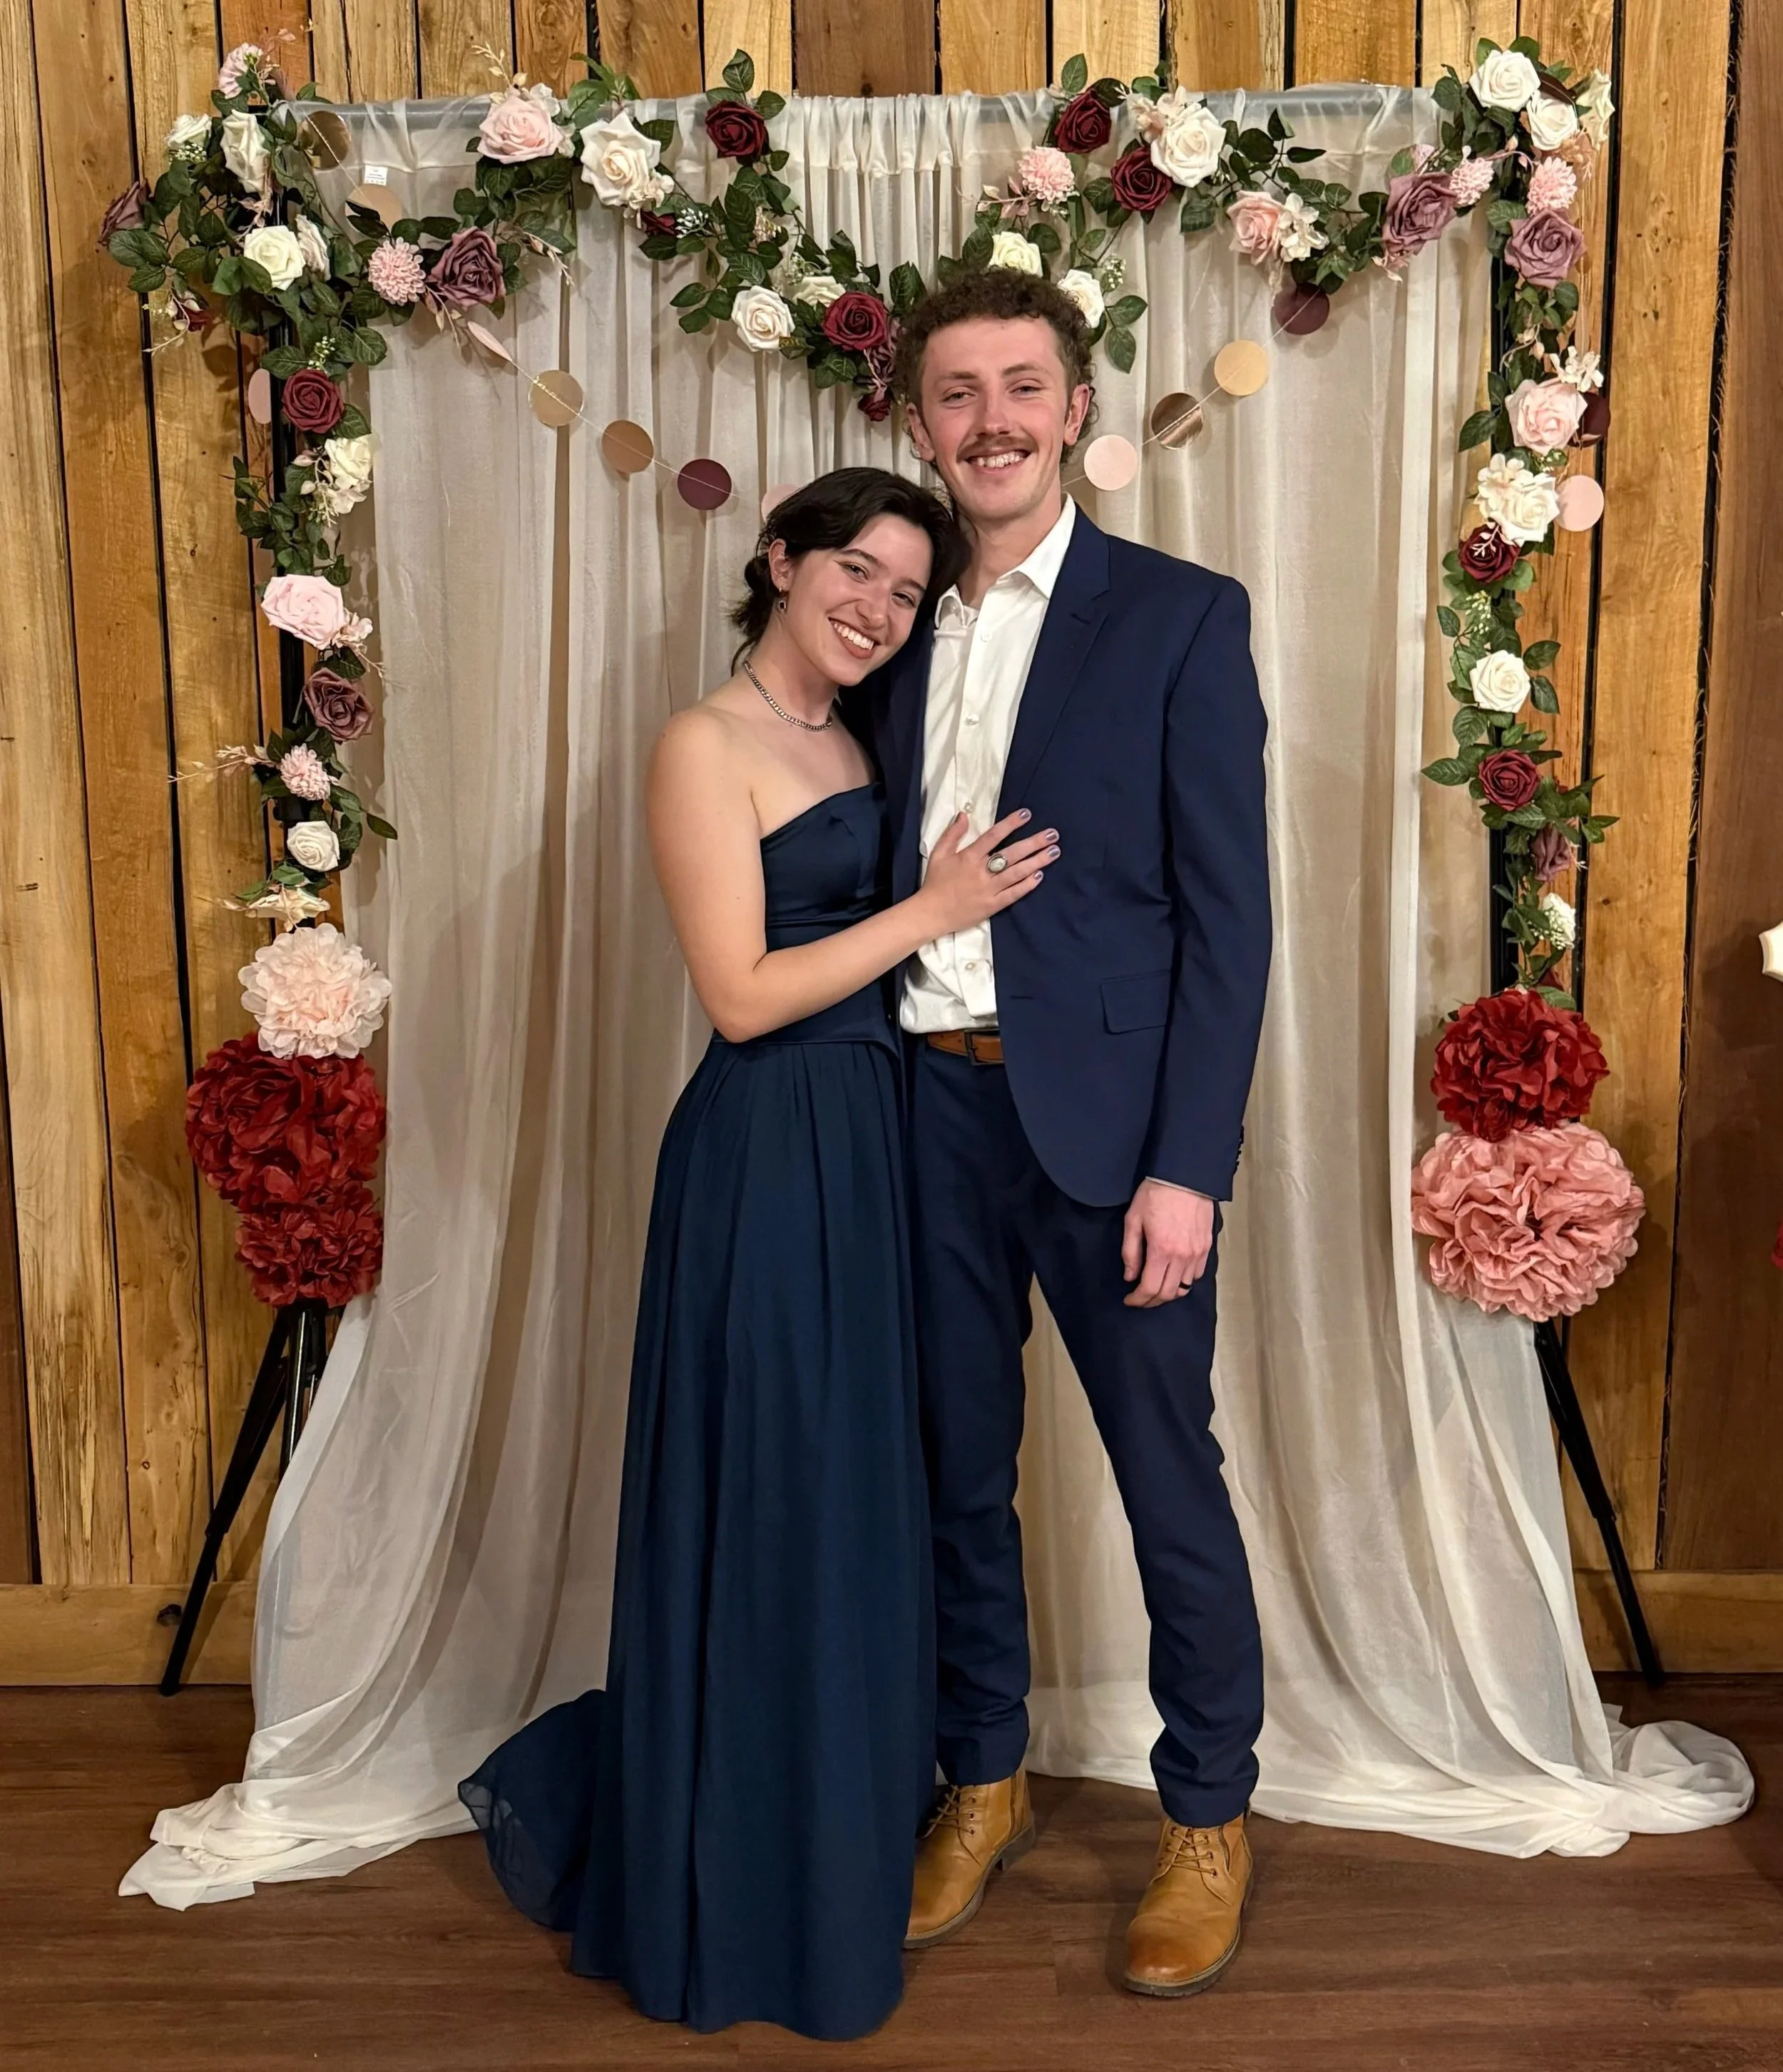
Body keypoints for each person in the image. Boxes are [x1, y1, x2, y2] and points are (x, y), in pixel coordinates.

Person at [459, 467, 1058, 2041]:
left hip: (878, 1142)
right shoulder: (699, 743)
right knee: (774, 1489)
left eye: (902, 592)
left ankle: (832, 1835)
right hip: (766, 1147)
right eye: (851, 570)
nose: (873, 607)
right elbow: (736, 992)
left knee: (863, 1492)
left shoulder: (861, 733)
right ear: (779, 563)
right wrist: (929, 907)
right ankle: (732, 1874)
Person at [844, 269, 1272, 1997]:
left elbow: (1225, 923)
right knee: (954, 1475)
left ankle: (1206, 1809)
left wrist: (1190, 1167)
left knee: (1167, 1478)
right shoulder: (875, 622)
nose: (991, 420)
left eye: (1022, 385)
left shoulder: (1176, 615)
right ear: (918, 424)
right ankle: (982, 1775)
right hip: (916, 1116)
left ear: (1076, 409)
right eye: (956, 392)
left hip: (1108, 1134)